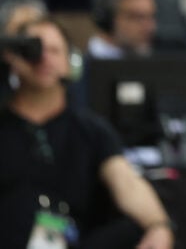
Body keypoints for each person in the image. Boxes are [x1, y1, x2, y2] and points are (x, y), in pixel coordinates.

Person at [0, 17, 174, 249]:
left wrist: (158, 225)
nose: (44, 58)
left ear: (69, 61)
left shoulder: (89, 130)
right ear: (13, 55)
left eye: (54, 50)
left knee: (134, 229)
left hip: (70, 237)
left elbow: (126, 181)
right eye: (33, 48)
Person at [87, 0, 158, 59]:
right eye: (136, 17)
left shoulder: (158, 60)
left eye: (151, 17)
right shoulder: (80, 69)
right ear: (107, 19)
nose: (149, 27)